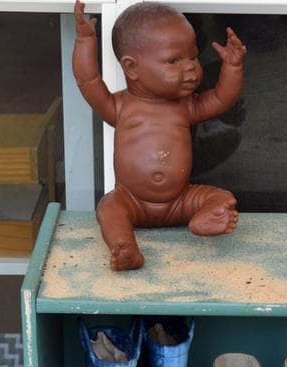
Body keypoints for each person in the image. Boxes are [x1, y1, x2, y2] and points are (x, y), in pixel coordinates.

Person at [73, 0, 247, 271]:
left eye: (193, 57)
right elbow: (88, 81)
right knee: (108, 207)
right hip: (131, 200)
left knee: (221, 197)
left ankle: (204, 219)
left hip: (181, 200)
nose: (190, 68)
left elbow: (221, 99)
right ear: (132, 68)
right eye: (173, 61)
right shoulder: (119, 107)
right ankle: (125, 248)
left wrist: (233, 68)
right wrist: (85, 40)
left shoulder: (186, 107)